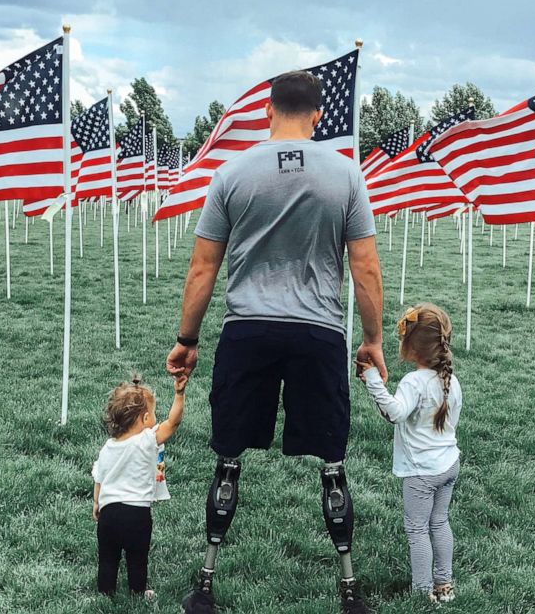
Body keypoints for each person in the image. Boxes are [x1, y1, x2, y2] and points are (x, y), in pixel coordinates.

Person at [167, 69, 386, 614]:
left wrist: (186, 339)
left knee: (229, 456)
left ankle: (206, 584)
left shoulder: (232, 173)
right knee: (331, 460)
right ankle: (349, 590)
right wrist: (373, 339)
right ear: (318, 116)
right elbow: (365, 268)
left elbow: (202, 267)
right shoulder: (346, 176)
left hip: (248, 330)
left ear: (268, 110)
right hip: (318, 333)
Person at [358, 304, 462, 604]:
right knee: (440, 522)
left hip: (422, 472)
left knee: (417, 529)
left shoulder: (413, 383)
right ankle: (445, 586)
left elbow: (395, 413)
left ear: (410, 345)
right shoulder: (451, 381)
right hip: (448, 464)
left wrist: (373, 381)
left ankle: (421, 592)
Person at [92, 372, 188, 601]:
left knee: (108, 558)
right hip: (137, 513)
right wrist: (179, 393)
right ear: (145, 419)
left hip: (109, 513)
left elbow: (99, 477)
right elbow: (173, 422)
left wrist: (97, 502)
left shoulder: (108, 447)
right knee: (137, 557)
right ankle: (137, 591)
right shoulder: (147, 440)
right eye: (153, 413)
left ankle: (106, 592)